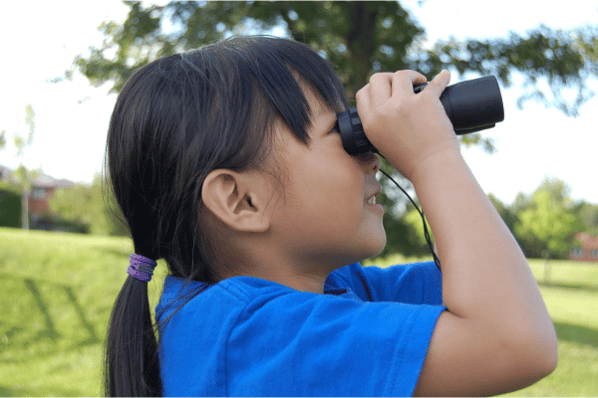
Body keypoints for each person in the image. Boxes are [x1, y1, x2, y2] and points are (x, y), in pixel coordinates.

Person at [104, 35, 557, 397]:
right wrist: (434, 156)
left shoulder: (339, 288)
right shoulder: (250, 336)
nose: (372, 156)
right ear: (242, 201)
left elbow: (498, 289)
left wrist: (426, 144)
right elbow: (514, 341)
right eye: (341, 133)